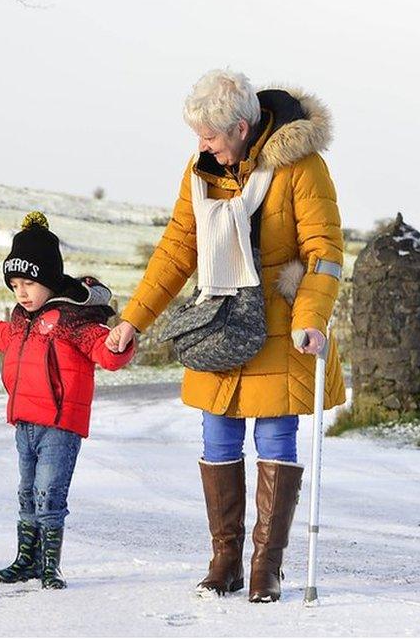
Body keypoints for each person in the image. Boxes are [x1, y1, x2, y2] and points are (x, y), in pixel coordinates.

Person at [106, 69, 346, 602]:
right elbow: (176, 249)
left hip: (284, 328)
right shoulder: (201, 171)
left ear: (241, 128)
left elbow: (324, 253)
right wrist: (132, 319)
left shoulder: (302, 167)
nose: (201, 145)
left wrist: (311, 319)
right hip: (218, 324)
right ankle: (224, 560)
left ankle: (267, 566)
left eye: (209, 136)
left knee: (275, 439)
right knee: (217, 438)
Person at [0, 212, 135, 589]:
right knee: (26, 494)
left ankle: (50, 565)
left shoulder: (74, 320)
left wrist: (119, 343)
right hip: (25, 422)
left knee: (48, 494)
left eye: (29, 282)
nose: (21, 292)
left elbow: (103, 351)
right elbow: (2, 336)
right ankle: (26, 560)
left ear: (49, 279)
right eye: (15, 284)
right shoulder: (22, 319)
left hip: (59, 425)